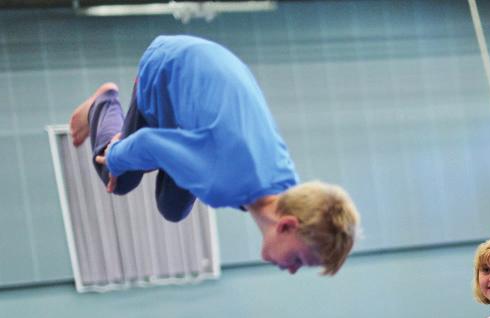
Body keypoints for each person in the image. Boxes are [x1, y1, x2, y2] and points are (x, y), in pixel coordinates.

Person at [69, 34, 359, 276]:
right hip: (168, 68)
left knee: (173, 208)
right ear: (285, 225)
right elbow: (147, 143)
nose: (292, 270)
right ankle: (103, 102)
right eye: (297, 260)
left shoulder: (287, 186)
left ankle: (183, 148)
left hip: (217, 71)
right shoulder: (223, 182)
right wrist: (116, 156)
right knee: (119, 179)